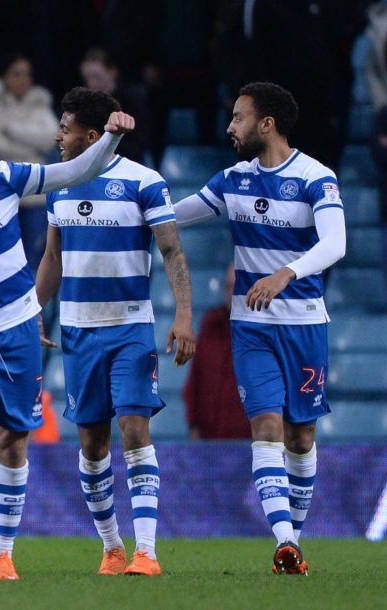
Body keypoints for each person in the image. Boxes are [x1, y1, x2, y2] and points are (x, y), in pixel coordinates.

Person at [0, 107, 133, 580]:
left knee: (13, 441)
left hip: (17, 327)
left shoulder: (7, 177)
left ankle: (2, 553)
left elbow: (76, 170)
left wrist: (111, 138)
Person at [173, 82, 346, 575]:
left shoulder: (316, 177)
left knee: (302, 435)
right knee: (266, 427)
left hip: (306, 323)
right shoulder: (233, 180)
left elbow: (336, 244)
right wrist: (128, 210)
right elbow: (177, 213)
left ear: (265, 124)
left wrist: (286, 272)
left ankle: (295, 534)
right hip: (251, 326)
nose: (230, 127)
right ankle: (285, 541)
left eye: (238, 118)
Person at [35, 87, 195, 578]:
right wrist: (32, 311)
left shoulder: (143, 182)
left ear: (90, 135)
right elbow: (53, 256)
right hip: (79, 331)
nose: (58, 136)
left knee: (134, 428)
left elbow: (171, 251)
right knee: (91, 442)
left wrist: (184, 315)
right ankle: (112, 547)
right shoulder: (59, 185)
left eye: (65, 128)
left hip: (130, 327)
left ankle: (146, 551)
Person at [182, 264, 250, 440]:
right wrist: (193, 424)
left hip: (250, 442)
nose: (232, 293)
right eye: (229, 287)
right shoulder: (210, 323)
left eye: (238, 287)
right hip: (210, 443)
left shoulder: (264, 332)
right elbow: (194, 380)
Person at [0, 54, 59, 164]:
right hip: (0, 169)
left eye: (27, 74)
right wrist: (33, 149)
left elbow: (52, 138)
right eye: (16, 74)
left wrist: (11, 130)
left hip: (37, 168)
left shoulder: (39, 101)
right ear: (3, 76)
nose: (23, 80)